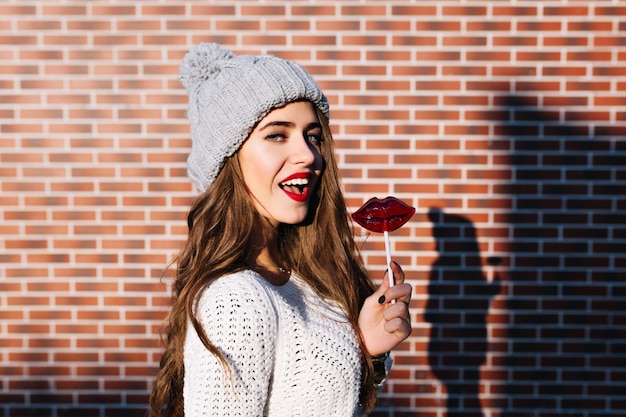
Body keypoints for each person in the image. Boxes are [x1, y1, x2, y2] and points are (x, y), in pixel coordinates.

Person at [149, 42, 412, 417]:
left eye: (314, 136)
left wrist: (366, 349)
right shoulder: (235, 299)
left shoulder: (306, 283)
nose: (309, 155)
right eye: (277, 134)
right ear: (229, 160)